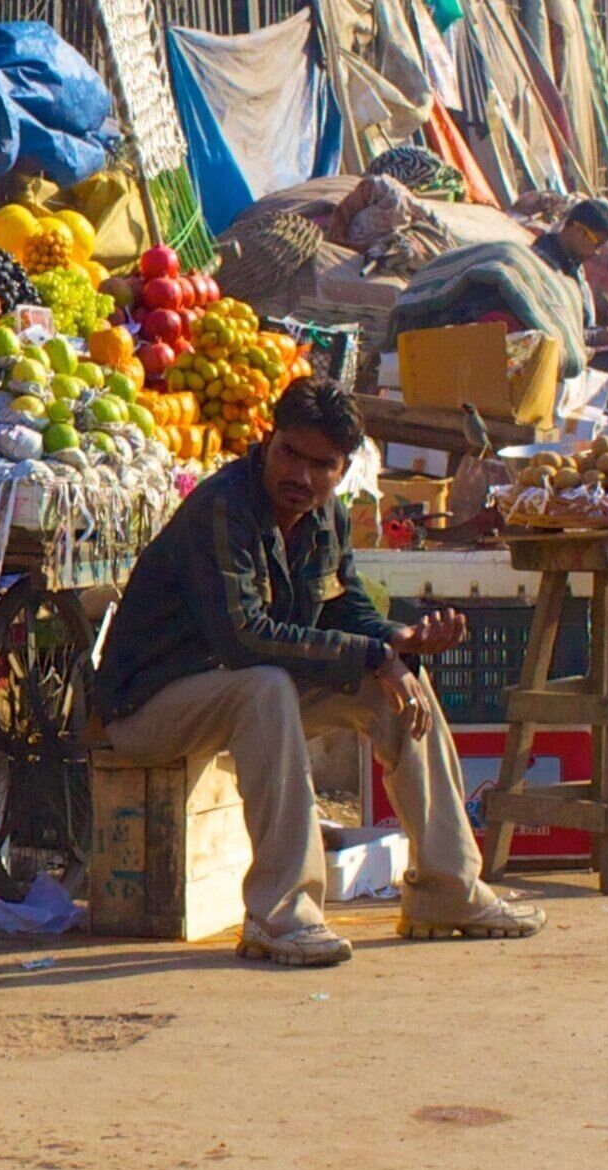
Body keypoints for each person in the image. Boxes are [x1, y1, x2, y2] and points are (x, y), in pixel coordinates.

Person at [87, 375, 546, 967]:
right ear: (268, 440)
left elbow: (343, 606)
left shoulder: (325, 515)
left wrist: (398, 641)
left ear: (343, 468)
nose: (301, 476)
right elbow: (244, 638)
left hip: (237, 694)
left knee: (398, 689)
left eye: (321, 465)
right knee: (268, 686)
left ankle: (447, 890)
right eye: (290, 454)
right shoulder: (222, 508)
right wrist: (374, 655)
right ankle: (282, 916)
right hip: (146, 708)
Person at [533, 197, 608, 332]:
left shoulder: (574, 265)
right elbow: (555, 327)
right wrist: (595, 337)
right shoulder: (542, 265)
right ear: (579, 230)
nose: (597, 252)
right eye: (597, 244)